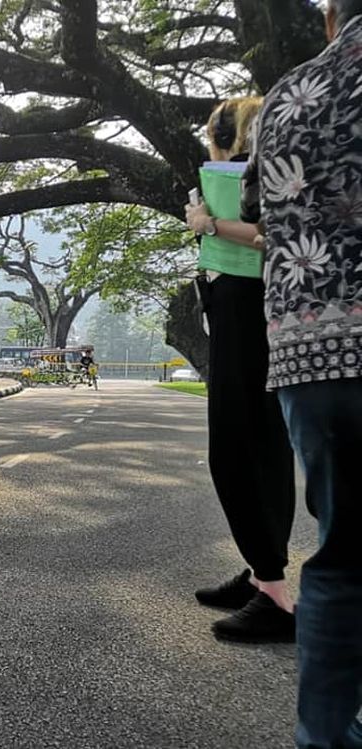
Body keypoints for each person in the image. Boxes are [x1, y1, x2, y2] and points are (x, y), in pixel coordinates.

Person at [241, 2, 362, 744]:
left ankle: (323, 734)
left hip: (309, 353)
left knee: (340, 558)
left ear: (328, 18)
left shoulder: (286, 93)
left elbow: (255, 207)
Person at [184, 97, 297, 642]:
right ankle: (262, 574)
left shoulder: (263, 174)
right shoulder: (264, 171)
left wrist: (209, 223)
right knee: (259, 441)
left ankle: (273, 593)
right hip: (241, 306)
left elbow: (273, 235)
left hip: (249, 307)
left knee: (239, 446)